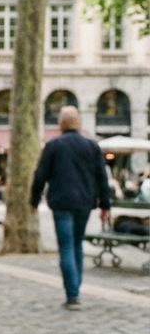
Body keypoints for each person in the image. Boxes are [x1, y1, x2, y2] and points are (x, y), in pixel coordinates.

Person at [30, 105, 111, 310]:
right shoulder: (92, 147)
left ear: (61, 124)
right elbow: (102, 177)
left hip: (62, 202)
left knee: (66, 246)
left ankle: (72, 293)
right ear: (79, 123)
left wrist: (34, 200)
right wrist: (105, 205)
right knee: (77, 245)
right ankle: (76, 287)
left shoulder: (54, 145)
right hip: (84, 202)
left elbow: (41, 175)